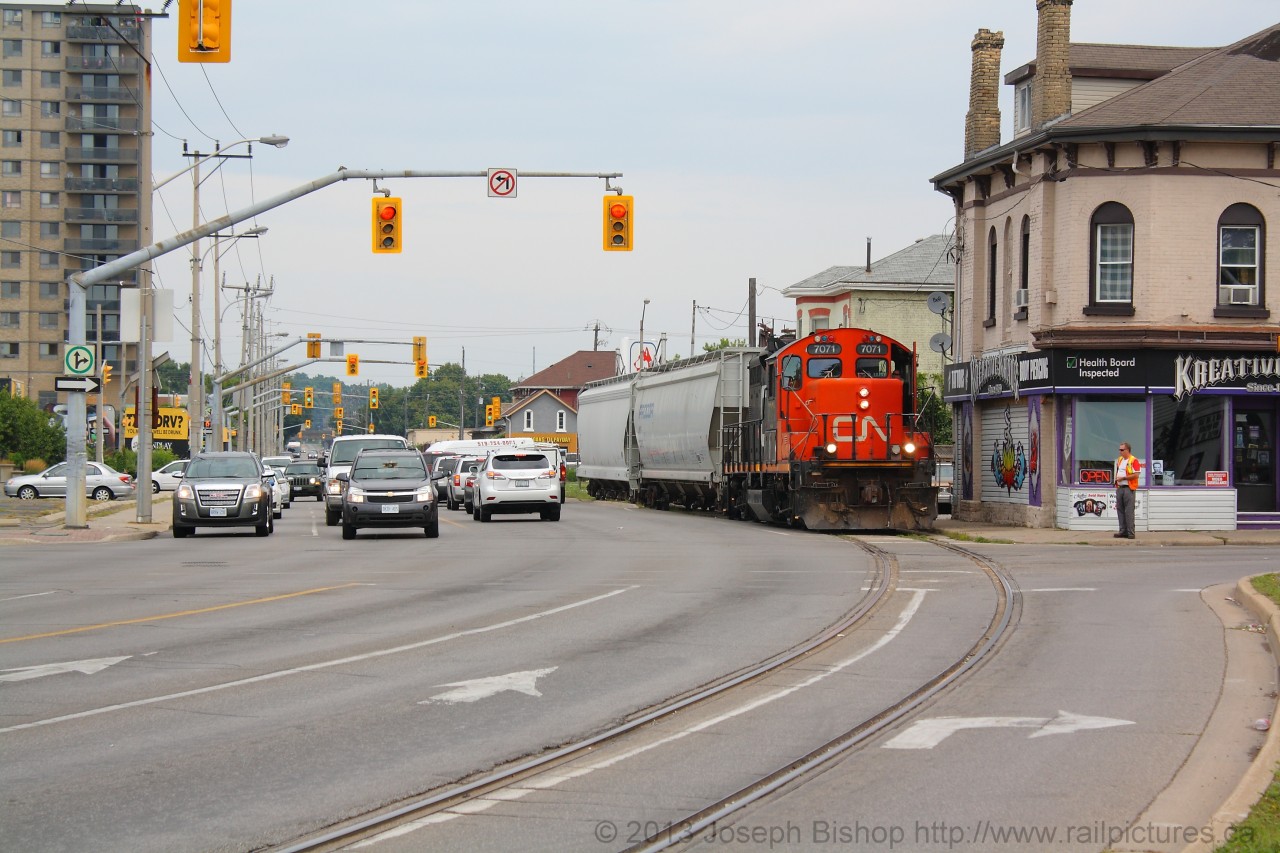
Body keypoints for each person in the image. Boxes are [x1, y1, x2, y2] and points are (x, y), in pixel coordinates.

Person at [1114, 442, 1141, 538]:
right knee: (1120, 510)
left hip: (1129, 488)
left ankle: (1131, 533)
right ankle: (1122, 531)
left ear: (1127, 450)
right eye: (1119, 449)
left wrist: (1124, 478)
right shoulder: (1120, 460)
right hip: (1120, 488)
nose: (1120, 452)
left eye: (1122, 450)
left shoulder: (1134, 460)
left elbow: (1136, 475)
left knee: (1129, 511)